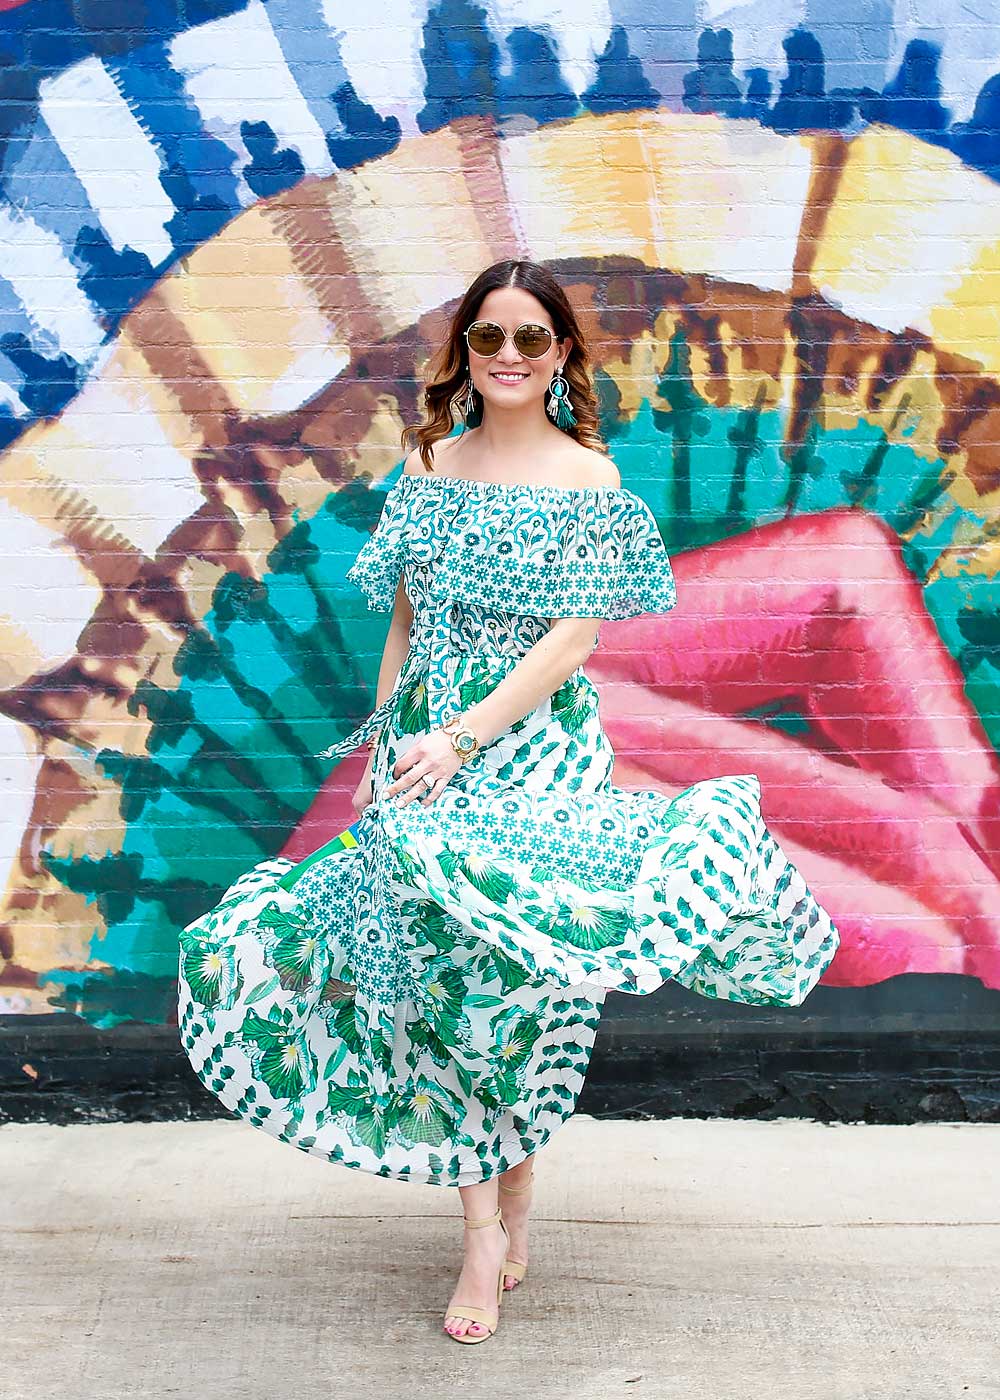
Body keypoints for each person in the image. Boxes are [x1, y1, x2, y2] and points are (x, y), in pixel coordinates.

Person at [177, 258, 840, 1345]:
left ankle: (511, 1190)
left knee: (512, 994)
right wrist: (391, 739)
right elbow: (401, 619)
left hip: (533, 753)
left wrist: (461, 735)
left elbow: (573, 639)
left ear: (564, 354)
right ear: (465, 353)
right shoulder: (433, 462)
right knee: (441, 985)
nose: (510, 357)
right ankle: (483, 1224)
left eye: (533, 339)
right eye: (491, 337)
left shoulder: (588, 477)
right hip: (425, 750)